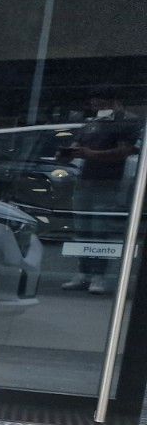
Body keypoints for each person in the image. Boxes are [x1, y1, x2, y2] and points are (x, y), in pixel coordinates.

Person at [62, 92, 142, 296]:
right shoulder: (91, 123)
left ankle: (98, 275)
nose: (96, 107)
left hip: (109, 182)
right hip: (85, 181)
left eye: (100, 103)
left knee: (99, 229)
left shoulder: (125, 122)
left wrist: (92, 154)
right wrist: (69, 152)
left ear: (113, 102)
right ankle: (83, 272)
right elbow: (77, 144)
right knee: (82, 229)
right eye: (94, 104)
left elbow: (125, 151)